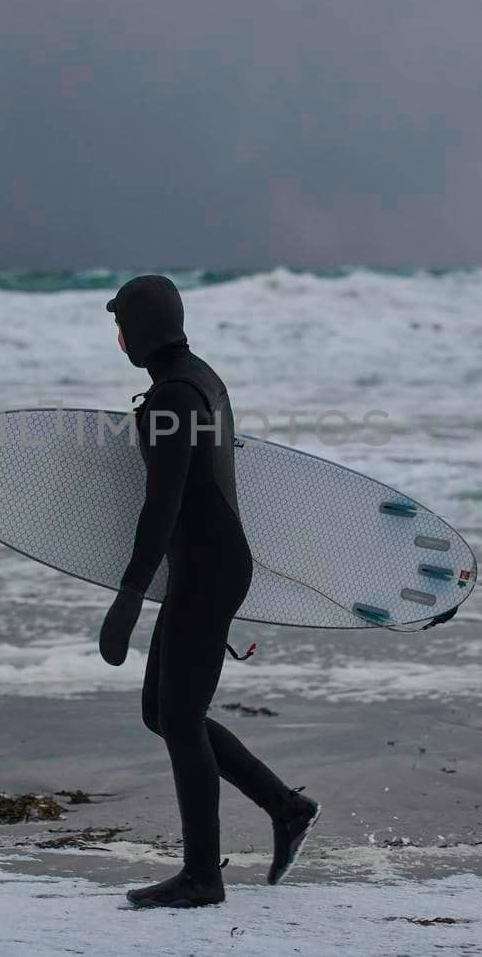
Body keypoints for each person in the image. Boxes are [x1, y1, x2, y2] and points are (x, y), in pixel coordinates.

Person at [99, 273, 321, 910]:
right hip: (206, 564)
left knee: (180, 719)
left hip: (206, 569)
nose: (118, 338)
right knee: (163, 714)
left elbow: (162, 505)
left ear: (139, 329)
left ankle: (203, 876)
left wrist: (129, 594)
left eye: (121, 325)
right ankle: (286, 807)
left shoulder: (173, 397)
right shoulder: (200, 377)